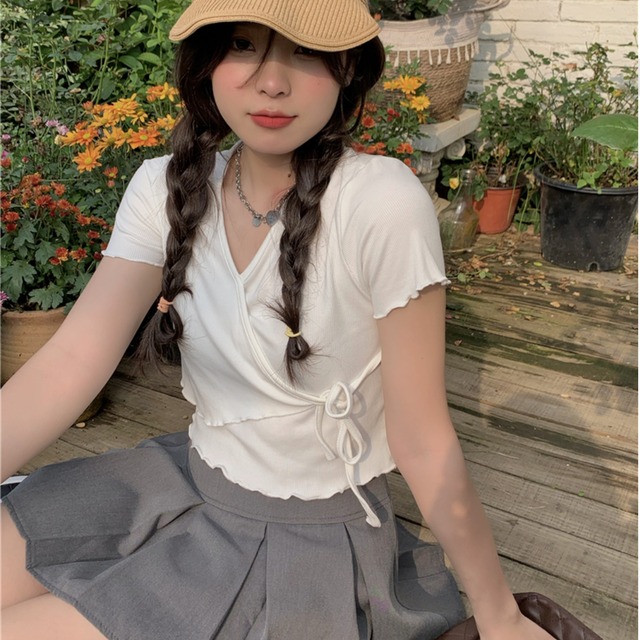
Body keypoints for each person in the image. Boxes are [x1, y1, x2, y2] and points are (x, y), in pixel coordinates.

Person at [0, 1, 556, 638]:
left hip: (304, 544)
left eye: (306, 50)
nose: (271, 81)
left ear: (348, 68)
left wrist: (501, 618)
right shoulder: (165, 188)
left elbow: (423, 438)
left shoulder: (379, 204)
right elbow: (71, 361)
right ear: (205, 61)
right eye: (242, 45)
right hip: (184, 482)